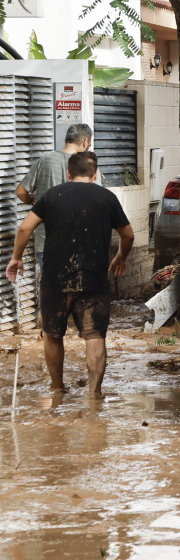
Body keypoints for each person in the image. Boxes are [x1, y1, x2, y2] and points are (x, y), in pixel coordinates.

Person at [5, 151, 134, 399]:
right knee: (95, 336)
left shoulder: (51, 195)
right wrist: (121, 257)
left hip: (55, 280)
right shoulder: (106, 197)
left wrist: (17, 257)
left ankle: (57, 388)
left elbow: (25, 228)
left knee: (53, 335)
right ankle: (94, 394)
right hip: (93, 280)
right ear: (95, 174)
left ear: (68, 173)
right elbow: (127, 235)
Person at [15, 123, 94, 264]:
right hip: (78, 241)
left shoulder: (45, 160)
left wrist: (31, 200)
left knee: (50, 285)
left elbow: (21, 191)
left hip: (47, 242)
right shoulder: (87, 166)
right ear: (85, 141)